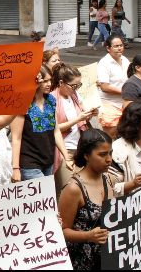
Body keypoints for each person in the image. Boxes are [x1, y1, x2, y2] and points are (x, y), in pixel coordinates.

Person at [59, 129, 114, 271]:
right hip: (82, 262)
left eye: (110, 153)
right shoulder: (73, 189)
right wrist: (88, 236)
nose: (109, 159)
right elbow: (62, 230)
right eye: (102, 155)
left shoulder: (109, 179)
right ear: (86, 155)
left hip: (108, 260)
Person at [11, 65, 69, 181]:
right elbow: (16, 138)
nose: (48, 84)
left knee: (48, 197)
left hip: (48, 160)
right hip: (29, 162)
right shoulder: (22, 103)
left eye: (50, 80)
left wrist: (66, 156)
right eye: (45, 81)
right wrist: (15, 168)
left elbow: (56, 131)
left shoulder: (51, 100)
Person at [52, 64, 98, 193]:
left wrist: (89, 115)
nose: (76, 89)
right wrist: (78, 119)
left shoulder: (74, 96)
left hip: (79, 148)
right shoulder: (52, 99)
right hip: (63, 151)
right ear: (61, 82)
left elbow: (81, 119)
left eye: (79, 85)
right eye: (73, 86)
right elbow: (55, 128)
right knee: (68, 189)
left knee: (83, 188)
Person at [96, 35, 130, 138]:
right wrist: (124, 92)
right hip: (109, 104)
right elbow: (105, 87)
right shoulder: (104, 63)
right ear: (108, 48)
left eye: (121, 45)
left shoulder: (125, 60)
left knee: (126, 134)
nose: (119, 48)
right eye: (116, 46)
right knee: (111, 135)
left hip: (125, 103)